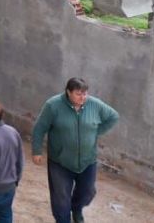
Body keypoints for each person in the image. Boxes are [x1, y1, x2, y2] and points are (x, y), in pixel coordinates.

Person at [31, 78, 120, 223]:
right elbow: (39, 128)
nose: (83, 97)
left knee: (88, 192)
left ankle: (76, 209)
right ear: (68, 92)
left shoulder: (94, 104)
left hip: (87, 160)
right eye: (79, 94)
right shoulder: (53, 105)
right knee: (60, 197)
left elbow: (113, 116)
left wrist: (96, 132)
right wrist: (36, 151)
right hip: (60, 161)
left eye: (85, 94)